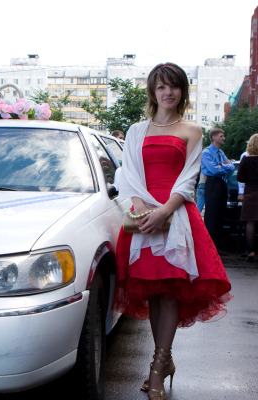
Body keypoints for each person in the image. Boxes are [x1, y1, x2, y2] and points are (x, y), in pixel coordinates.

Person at [113, 62, 232, 400]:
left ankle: (157, 366)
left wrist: (164, 211)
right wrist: (141, 208)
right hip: (142, 217)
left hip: (176, 215)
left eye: (174, 86)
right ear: (153, 91)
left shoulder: (191, 130)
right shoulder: (136, 130)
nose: (168, 92)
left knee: (170, 292)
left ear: (182, 91)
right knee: (153, 292)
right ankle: (164, 362)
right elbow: (127, 173)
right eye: (162, 86)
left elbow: (189, 179)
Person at [201, 128, 235, 254]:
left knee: (220, 215)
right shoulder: (207, 152)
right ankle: (208, 246)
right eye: (221, 136)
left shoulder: (220, 152)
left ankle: (216, 246)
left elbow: (232, 167)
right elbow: (213, 170)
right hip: (213, 183)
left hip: (222, 183)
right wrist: (224, 167)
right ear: (213, 137)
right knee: (212, 215)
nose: (223, 138)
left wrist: (223, 166)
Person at [237, 134, 258, 261]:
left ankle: (251, 250)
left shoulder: (246, 159)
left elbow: (240, 178)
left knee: (250, 222)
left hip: (250, 193)